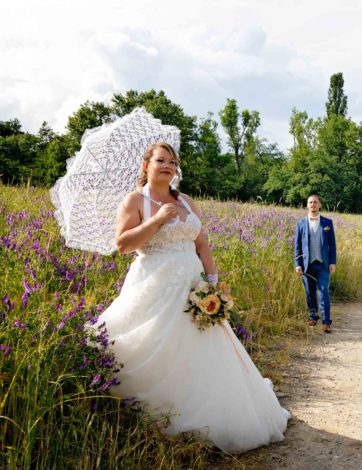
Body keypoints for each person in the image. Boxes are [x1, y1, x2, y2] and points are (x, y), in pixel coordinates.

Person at [94, 142, 289, 454]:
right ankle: (156, 419)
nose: (168, 166)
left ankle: (212, 415)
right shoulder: (135, 200)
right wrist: (156, 220)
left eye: (172, 161)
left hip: (193, 286)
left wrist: (212, 283)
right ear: (146, 166)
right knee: (157, 346)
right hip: (154, 285)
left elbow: (202, 245)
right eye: (160, 160)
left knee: (203, 348)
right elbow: (123, 244)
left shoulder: (186, 201)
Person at [294, 194, 337, 333]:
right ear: (307, 205)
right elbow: (297, 246)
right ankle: (313, 316)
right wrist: (297, 264)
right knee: (309, 292)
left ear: (320, 205)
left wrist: (333, 262)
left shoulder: (327, 223)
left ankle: (326, 322)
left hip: (323, 264)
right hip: (307, 265)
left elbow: (332, 245)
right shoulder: (300, 224)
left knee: (323, 291)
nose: (313, 204)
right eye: (310, 202)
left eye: (315, 202)